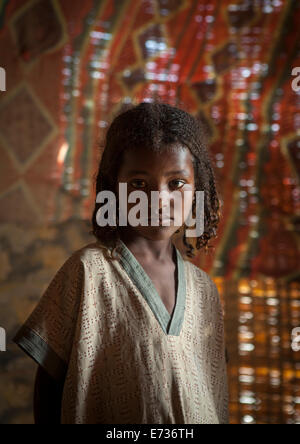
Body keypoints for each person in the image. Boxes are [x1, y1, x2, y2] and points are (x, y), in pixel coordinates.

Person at [13, 101, 229, 424]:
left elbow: (215, 396)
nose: (159, 199)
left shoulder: (205, 291)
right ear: (114, 187)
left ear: (198, 187)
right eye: (140, 184)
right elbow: (48, 389)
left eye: (176, 183)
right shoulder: (87, 272)